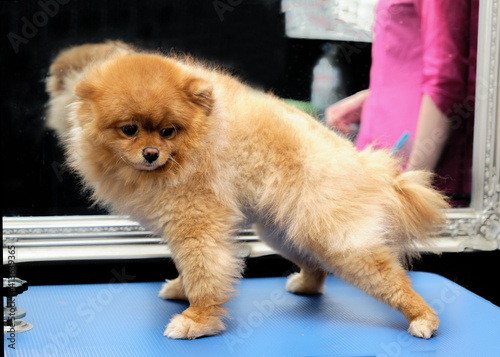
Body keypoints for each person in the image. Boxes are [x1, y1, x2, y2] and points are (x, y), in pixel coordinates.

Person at [325, 0, 478, 207]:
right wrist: (376, 96)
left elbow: (446, 78)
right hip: (388, 162)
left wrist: (410, 189)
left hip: (417, 163)